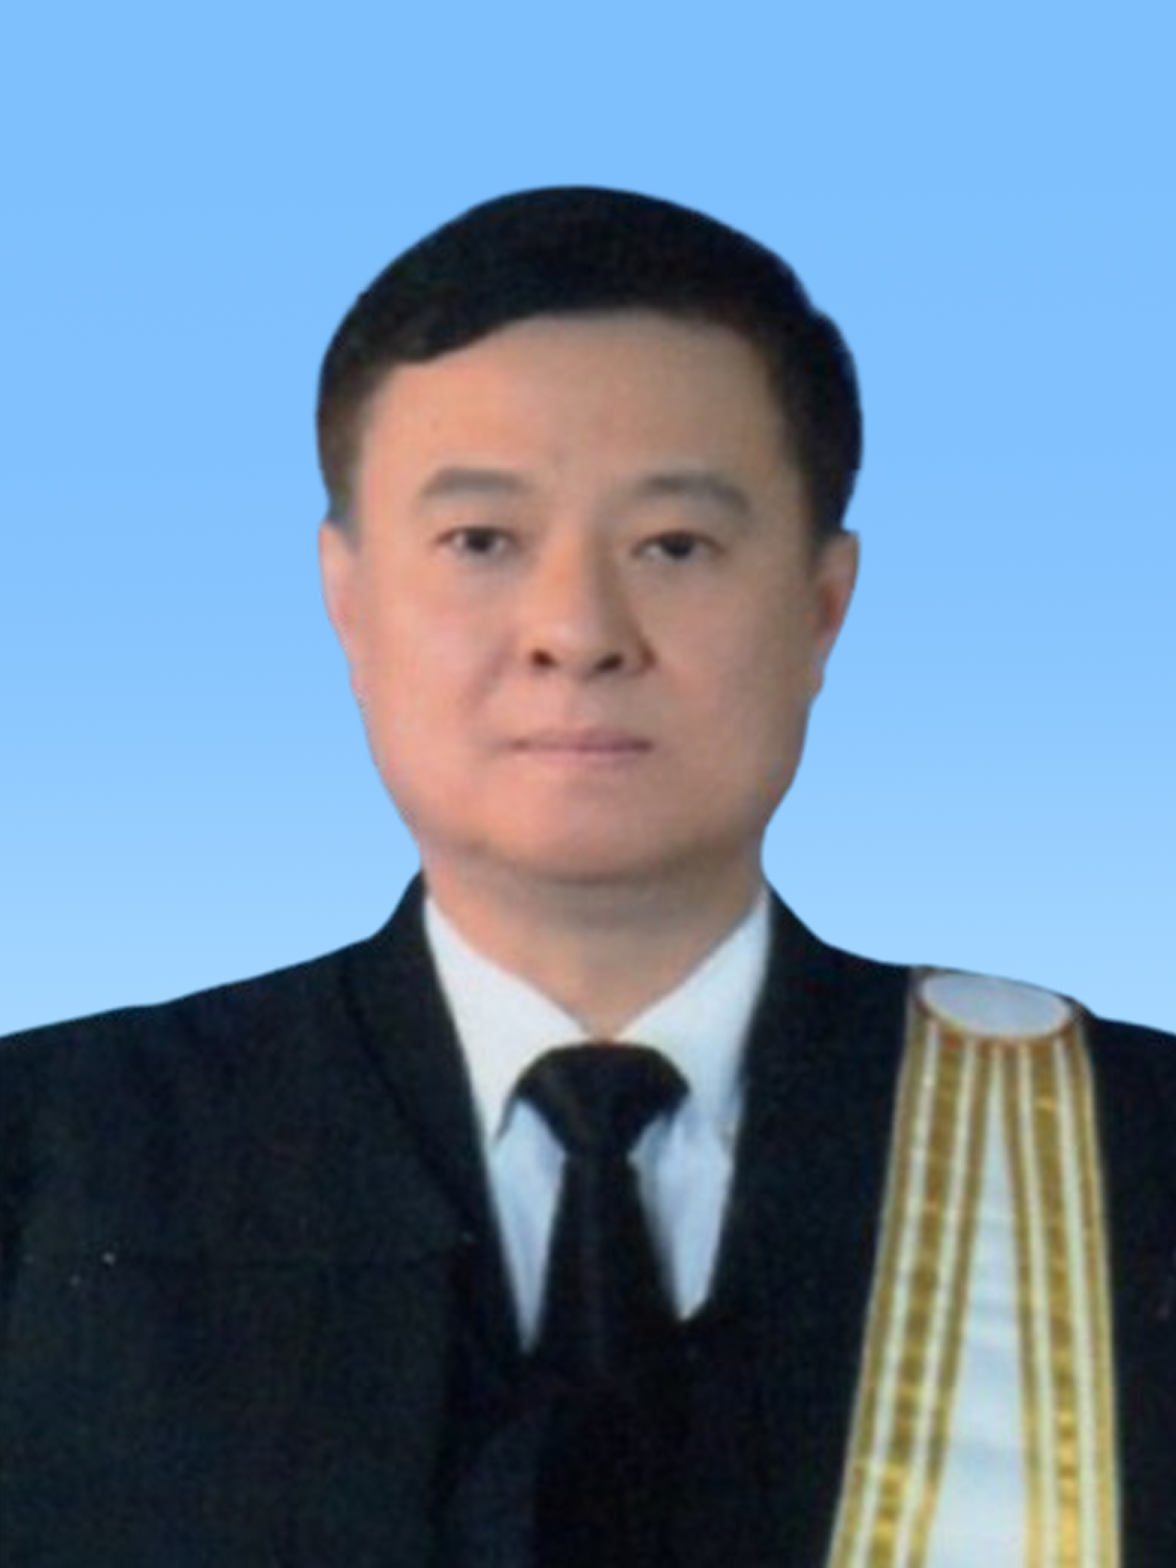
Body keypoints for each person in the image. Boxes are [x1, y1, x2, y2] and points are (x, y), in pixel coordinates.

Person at [1, 187, 1173, 1567]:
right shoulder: (51, 1155)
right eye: (481, 542)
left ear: (823, 607)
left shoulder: (1128, 1151)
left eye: (673, 545)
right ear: (347, 599)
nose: (577, 629)